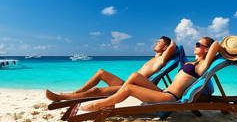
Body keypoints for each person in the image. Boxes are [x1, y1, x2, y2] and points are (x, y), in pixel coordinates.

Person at [78, 36, 219, 112]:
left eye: (198, 44)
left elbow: (216, 44)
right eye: (196, 44)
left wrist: (227, 47)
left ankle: (101, 104)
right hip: (163, 91)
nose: (195, 46)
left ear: (207, 49)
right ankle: (112, 100)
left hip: (170, 97)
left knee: (129, 88)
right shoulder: (192, 63)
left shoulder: (202, 66)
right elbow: (176, 48)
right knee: (134, 76)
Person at [46, 36, 177, 101]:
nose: (156, 43)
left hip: (132, 85)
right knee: (101, 72)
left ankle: (62, 97)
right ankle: (76, 92)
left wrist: (171, 44)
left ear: (165, 47)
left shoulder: (161, 59)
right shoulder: (154, 58)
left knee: (97, 90)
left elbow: (173, 45)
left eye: (159, 42)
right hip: (127, 82)